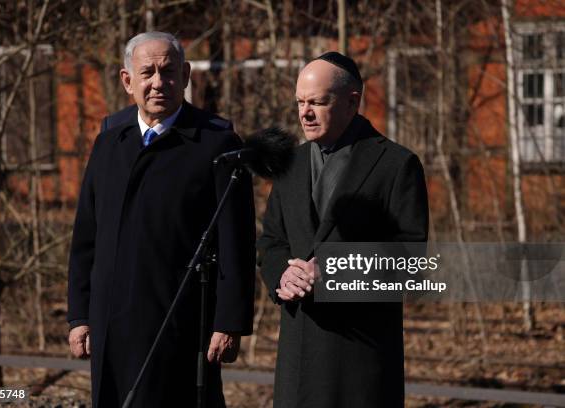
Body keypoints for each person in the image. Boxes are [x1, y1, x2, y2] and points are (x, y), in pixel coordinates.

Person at [67, 31, 255, 408]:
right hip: (109, 324)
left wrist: (229, 323)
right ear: (127, 81)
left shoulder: (217, 143)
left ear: (185, 76)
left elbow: (237, 243)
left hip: (179, 326)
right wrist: (79, 315)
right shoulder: (109, 142)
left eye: (168, 72)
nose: (158, 83)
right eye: (148, 72)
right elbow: (86, 237)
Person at [257, 52, 429, 408]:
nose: (305, 113)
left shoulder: (396, 164)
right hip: (299, 354)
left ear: (352, 102)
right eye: (300, 103)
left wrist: (333, 270)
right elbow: (273, 240)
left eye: (318, 102)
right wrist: (281, 278)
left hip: (360, 358)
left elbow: (410, 256)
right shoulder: (290, 164)